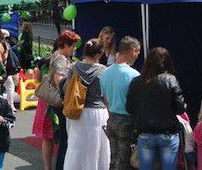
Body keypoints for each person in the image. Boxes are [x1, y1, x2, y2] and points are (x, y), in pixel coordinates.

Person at [126, 47, 186, 170]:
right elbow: (180, 108)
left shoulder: (136, 81)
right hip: (168, 133)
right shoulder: (170, 80)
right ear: (167, 62)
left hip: (145, 133)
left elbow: (130, 108)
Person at [63, 39, 109, 170]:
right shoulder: (104, 71)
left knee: (76, 146)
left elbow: (66, 88)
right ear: (99, 53)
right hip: (98, 113)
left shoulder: (74, 67)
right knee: (98, 149)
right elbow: (105, 96)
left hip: (78, 112)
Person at [100, 36, 142, 170]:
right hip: (127, 121)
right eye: (137, 52)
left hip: (111, 118)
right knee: (125, 161)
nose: (138, 55)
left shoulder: (105, 73)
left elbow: (105, 99)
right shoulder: (134, 75)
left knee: (114, 158)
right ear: (132, 50)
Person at [46, 30, 78, 170]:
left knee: (65, 139)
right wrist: (67, 99)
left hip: (60, 103)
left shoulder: (57, 56)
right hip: (61, 103)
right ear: (65, 45)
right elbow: (59, 81)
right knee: (65, 140)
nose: (74, 48)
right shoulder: (60, 59)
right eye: (72, 46)